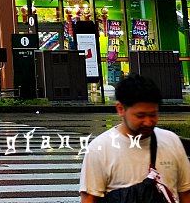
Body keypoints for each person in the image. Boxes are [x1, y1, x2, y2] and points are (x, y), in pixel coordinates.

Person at [80, 74, 190, 202]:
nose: (148, 122)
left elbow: (185, 193)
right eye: (140, 116)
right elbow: (89, 198)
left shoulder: (171, 141)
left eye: (153, 114)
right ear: (120, 109)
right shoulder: (100, 148)